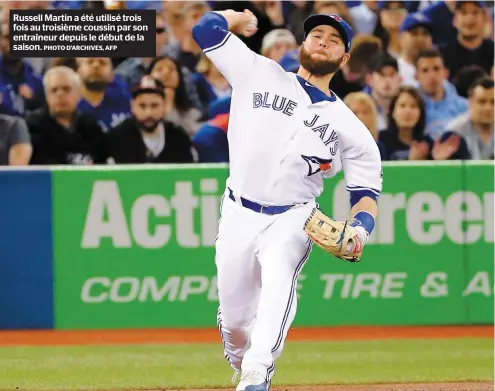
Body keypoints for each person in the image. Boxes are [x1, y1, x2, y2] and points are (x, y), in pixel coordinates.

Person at [192, 9, 382, 391]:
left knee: (280, 283)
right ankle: (243, 358)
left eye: (334, 38)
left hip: (295, 216)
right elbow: (203, 29)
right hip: (238, 211)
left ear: (344, 58)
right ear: (303, 44)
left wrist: (361, 230)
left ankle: (256, 376)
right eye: (316, 34)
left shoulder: (352, 129)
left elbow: (365, 195)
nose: (323, 39)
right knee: (235, 325)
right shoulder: (258, 71)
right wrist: (235, 18)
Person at [27, 66, 108, 165]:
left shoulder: (91, 127)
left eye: (66, 89)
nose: (60, 94)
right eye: (54, 90)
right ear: (46, 96)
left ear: (79, 94)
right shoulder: (31, 126)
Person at [107, 75, 195, 164]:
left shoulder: (178, 136)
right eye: (142, 106)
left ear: (164, 105)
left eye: (155, 105)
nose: (148, 113)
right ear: (132, 106)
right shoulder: (118, 137)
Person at [415, 48, 468, 139]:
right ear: (416, 76)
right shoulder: (411, 106)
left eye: (436, 69)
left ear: (446, 73)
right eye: (425, 70)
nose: (431, 75)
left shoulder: (465, 107)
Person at [438, 77, 494, 160]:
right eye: (482, 102)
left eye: (493, 102)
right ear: (470, 102)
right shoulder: (454, 133)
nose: (488, 108)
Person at [378, 86, 433, 161]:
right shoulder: (381, 140)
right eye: (402, 105)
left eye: (413, 106)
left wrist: (439, 160)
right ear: (393, 112)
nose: (408, 112)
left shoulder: (427, 143)